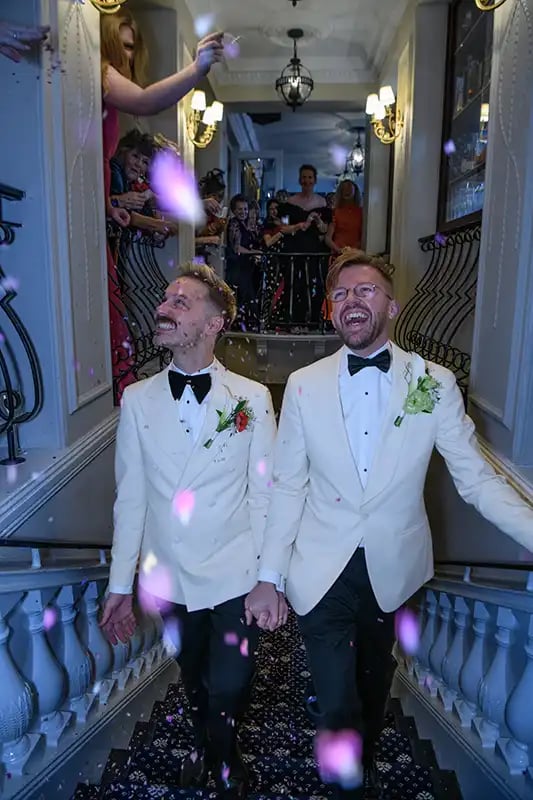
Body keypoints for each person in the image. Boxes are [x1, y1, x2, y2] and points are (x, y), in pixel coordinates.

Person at [245, 248, 533, 799]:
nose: (351, 300)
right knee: (335, 698)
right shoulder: (303, 384)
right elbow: (287, 486)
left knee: (374, 684)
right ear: (332, 310)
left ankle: (366, 745)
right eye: (341, 293)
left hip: (394, 570)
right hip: (319, 568)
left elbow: (476, 482)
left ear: (392, 306)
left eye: (366, 290)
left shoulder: (435, 383)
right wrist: (269, 575)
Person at [101, 262, 280, 799]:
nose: (164, 307)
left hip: (234, 572)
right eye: (165, 298)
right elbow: (129, 499)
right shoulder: (136, 400)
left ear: (214, 322)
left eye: (182, 301)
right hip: (170, 576)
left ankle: (223, 757)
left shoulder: (251, 398)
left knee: (231, 681)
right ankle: (214, 748)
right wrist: (119, 585)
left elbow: (264, 495)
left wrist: (270, 577)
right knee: (195, 675)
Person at [99, 10, 223, 403]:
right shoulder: (98, 73)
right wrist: (197, 67)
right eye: (119, 45)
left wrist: (110, 207)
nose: (126, 55)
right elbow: (145, 100)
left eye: (132, 47)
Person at [226, 194, 262, 329]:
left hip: (246, 267)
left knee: (247, 296)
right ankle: (241, 326)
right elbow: (237, 248)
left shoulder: (245, 224)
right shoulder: (234, 223)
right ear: (234, 210)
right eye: (240, 209)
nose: (243, 212)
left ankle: (246, 325)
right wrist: (255, 253)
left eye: (245, 209)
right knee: (243, 297)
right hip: (237, 266)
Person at [109, 128, 155, 215]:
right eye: (135, 156)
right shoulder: (114, 170)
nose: (138, 164)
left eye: (145, 162)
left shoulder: (131, 183)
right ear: (123, 153)